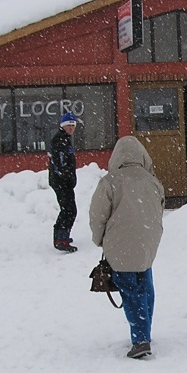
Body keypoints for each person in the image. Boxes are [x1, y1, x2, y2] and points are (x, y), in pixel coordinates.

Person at [89, 136, 166, 359]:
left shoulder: (110, 182)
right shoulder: (152, 181)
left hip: (120, 243)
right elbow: (159, 209)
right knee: (145, 284)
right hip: (147, 242)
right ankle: (145, 331)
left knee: (130, 289)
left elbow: (97, 215)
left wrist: (99, 239)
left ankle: (141, 339)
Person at [48, 112, 79, 253]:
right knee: (69, 210)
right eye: (68, 125)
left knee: (69, 209)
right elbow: (60, 164)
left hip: (63, 181)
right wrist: (67, 177)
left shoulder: (65, 139)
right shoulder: (60, 140)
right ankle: (61, 239)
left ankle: (62, 236)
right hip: (61, 182)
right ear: (63, 126)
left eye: (73, 125)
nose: (71, 128)